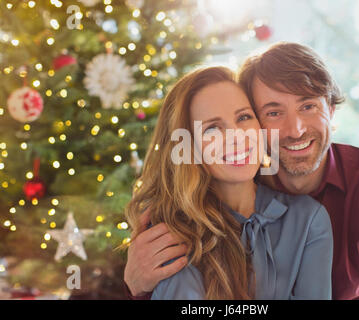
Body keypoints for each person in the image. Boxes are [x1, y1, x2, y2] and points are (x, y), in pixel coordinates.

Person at [124, 42, 359, 300]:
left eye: (308, 106)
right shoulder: (230, 180)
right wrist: (139, 285)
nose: (295, 130)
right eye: (274, 112)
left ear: (331, 110)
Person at [124, 66, 333, 299]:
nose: (237, 137)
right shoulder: (173, 230)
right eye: (212, 128)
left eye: (243, 117)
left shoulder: (308, 219)